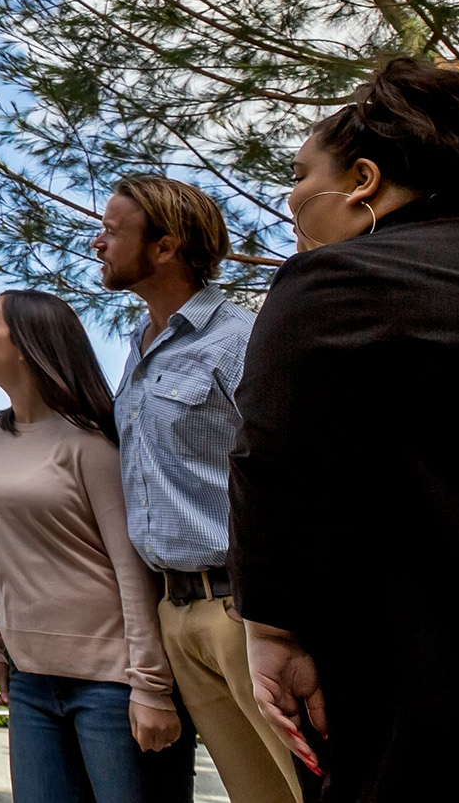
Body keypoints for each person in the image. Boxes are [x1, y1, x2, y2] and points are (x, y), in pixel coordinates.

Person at [230, 58, 459, 798]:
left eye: (298, 176)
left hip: (422, 680)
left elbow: (272, 463)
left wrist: (271, 631)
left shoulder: (328, 284)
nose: (290, 200)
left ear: (361, 180)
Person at [95, 177, 301, 803]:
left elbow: (287, 475)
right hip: (176, 616)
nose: (96, 241)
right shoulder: (138, 350)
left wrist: (275, 614)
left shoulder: (238, 341)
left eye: (113, 230)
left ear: (165, 248)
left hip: (245, 611)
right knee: (254, 795)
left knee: (310, 788)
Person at [0, 290, 178, 803]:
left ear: (29, 344)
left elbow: (132, 570)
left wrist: (150, 686)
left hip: (111, 685)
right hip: (30, 683)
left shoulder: (92, 443)